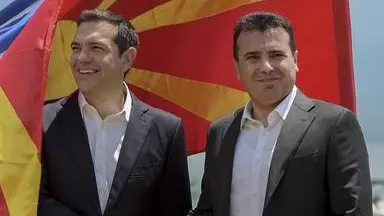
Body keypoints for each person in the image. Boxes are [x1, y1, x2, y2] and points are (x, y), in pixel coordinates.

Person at [188, 12, 372, 216]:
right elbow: (208, 210)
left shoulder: (334, 125)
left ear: (295, 60)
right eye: (253, 57)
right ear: (237, 68)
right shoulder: (220, 133)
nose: (265, 67)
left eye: (276, 55)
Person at [39, 9, 191, 216]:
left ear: (127, 58)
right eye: (76, 48)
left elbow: (175, 210)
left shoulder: (165, 130)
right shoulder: (42, 122)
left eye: (96, 48)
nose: (81, 58)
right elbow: (32, 198)